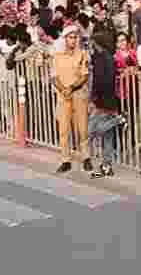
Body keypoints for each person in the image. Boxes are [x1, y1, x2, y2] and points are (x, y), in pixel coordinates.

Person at [51, 25, 91, 174]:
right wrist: (63, 89)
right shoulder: (57, 56)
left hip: (78, 94)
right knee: (64, 129)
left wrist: (71, 88)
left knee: (82, 128)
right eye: (70, 37)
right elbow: (54, 77)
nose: (73, 40)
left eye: (75, 37)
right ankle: (65, 159)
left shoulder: (82, 54)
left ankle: (86, 157)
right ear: (65, 39)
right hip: (63, 95)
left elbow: (84, 75)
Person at [86, 30, 121, 178]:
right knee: (107, 135)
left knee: (91, 130)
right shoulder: (108, 58)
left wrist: (94, 99)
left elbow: (99, 81)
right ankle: (107, 164)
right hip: (110, 98)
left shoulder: (101, 59)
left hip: (102, 99)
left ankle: (118, 120)